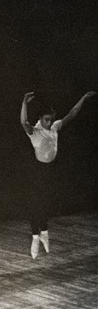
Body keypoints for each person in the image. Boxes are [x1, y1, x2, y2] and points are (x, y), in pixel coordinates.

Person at [20, 91, 96, 259]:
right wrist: (24, 103)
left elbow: (72, 114)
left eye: (51, 119)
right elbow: (23, 122)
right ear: (40, 118)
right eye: (46, 119)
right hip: (37, 170)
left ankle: (44, 233)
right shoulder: (34, 131)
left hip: (50, 170)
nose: (49, 122)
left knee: (46, 202)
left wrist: (82, 98)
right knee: (35, 203)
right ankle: (35, 237)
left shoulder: (54, 127)